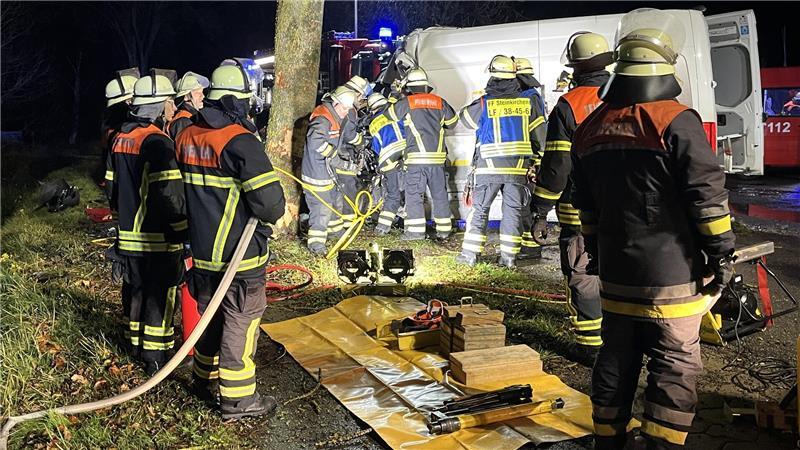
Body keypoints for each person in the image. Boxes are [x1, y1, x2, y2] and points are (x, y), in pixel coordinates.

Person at [569, 10, 736, 449]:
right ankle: (660, 443)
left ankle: (608, 438)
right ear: (666, 65)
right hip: (672, 277)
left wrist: (599, 254)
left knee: (616, 357)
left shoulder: (591, 125)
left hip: (617, 275)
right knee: (675, 362)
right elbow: (708, 201)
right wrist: (722, 256)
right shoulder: (677, 121)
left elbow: (584, 206)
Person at [176, 60, 286, 419]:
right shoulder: (240, 142)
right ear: (235, 102)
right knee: (241, 320)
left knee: (211, 318)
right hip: (240, 260)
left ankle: (203, 378)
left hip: (202, 255)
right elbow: (270, 205)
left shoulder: (187, 135)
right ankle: (238, 400)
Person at [530, 32, 612, 359]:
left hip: (580, 212)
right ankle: (625, 341)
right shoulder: (627, 95)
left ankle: (592, 348)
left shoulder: (569, 104)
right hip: (627, 210)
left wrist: (539, 211)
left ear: (575, 68)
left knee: (584, 273)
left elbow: (557, 164)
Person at [106, 73, 186, 375]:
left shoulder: (121, 138)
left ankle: (136, 346)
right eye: (169, 101)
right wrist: (181, 230)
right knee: (160, 294)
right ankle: (157, 358)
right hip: (157, 238)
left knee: (135, 290)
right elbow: (169, 195)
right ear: (158, 104)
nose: (171, 107)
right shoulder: (158, 142)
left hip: (128, 236)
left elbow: (111, 189)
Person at [455, 55, 544, 268]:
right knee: (512, 212)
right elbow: (539, 136)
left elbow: (464, 118)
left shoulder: (485, 102)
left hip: (488, 169)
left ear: (492, 78)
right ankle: (508, 258)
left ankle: (469, 255)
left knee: (480, 211)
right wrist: (537, 161)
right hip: (517, 170)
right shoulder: (527, 103)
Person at [383, 67, 458, 240]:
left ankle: (415, 233)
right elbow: (452, 122)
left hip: (416, 160)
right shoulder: (440, 102)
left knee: (414, 196)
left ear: (409, 87)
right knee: (439, 195)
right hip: (437, 160)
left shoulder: (407, 103)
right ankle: (444, 230)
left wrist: (395, 95)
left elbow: (388, 115)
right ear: (426, 86)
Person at [301, 86, 360, 255]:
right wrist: (336, 158)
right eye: (344, 108)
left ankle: (335, 232)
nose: (345, 112)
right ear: (335, 102)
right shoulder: (323, 118)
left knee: (335, 201)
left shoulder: (335, 116)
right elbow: (315, 142)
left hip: (328, 173)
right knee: (322, 209)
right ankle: (316, 245)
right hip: (316, 174)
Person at [513, 57, 546, 259]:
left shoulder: (528, 98)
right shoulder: (532, 95)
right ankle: (529, 246)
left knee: (526, 205)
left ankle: (531, 248)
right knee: (525, 204)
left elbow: (537, 132)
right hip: (532, 160)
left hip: (531, 162)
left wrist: (537, 162)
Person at [367, 92, 406, 234]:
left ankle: (382, 228)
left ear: (372, 108)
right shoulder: (397, 113)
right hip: (408, 155)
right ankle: (408, 225)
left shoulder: (373, 124)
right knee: (412, 193)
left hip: (389, 160)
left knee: (393, 194)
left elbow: (377, 148)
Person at [168, 71, 209, 139]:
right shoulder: (183, 121)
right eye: (197, 93)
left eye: (202, 92)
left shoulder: (190, 117)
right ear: (186, 97)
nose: (203, 96)